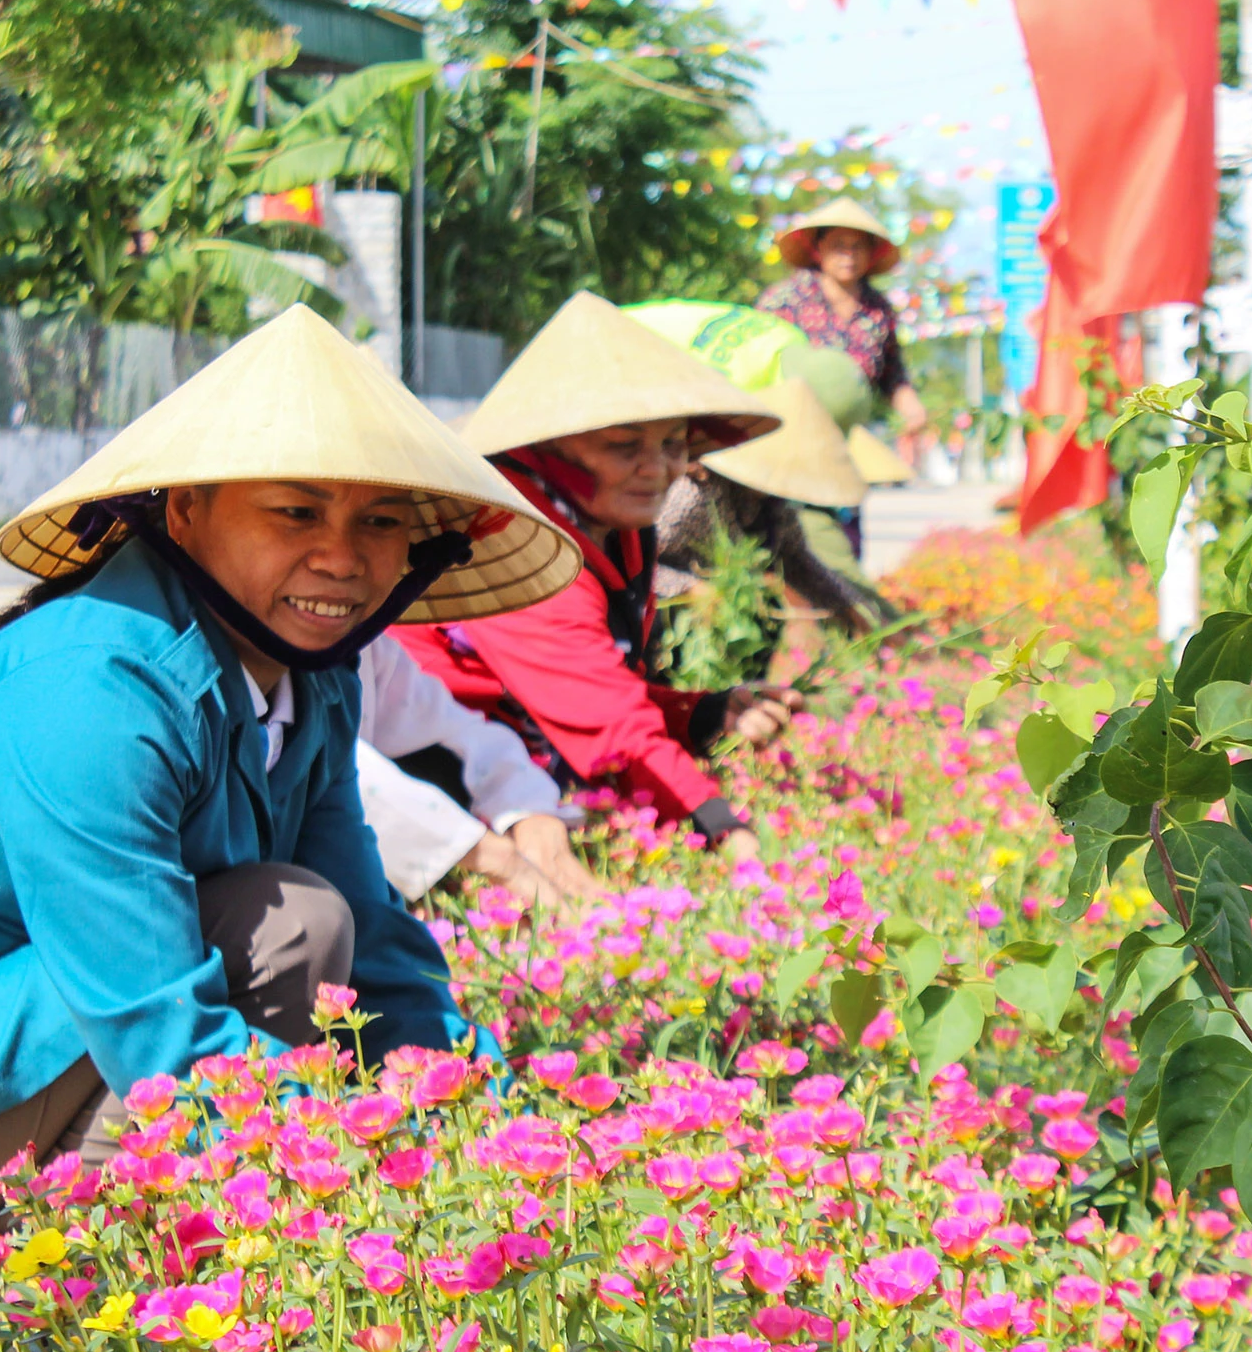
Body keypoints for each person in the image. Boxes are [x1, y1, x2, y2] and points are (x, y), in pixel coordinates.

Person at [0, 307, 579, 1262]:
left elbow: (377, 938)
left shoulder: (316, 681)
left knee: (308, 918)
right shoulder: (92, 691)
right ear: (184, 514)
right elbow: (157, 1030)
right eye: (296, 510)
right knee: (276, 939)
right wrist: (367, 1162)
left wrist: (492, 1112)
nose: (342, 557)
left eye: (382, 520)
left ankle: (192, 1238)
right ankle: (77, 1291)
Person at [397, 291, 797, 863]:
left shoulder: (615, 525)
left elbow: (602, 689)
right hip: (427, 768)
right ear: (547, 445)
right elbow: (606, 723)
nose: (658, 470)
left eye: (673, 445)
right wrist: (727, 834)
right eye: (623, 445)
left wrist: (704, 712)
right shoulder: (505, 529)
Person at [353, 634, 610, 909]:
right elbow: (337, 767)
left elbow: (452, 728)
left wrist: (530, 812)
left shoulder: (369, 642)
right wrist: (498, 860)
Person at [655, 375, 892, 659]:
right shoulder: (696, 493)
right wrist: (691, 588)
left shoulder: (776, 505)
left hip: (733, 633)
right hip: (671, 631)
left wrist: (854, 608)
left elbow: (800, 563)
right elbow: (635, 558)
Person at [755, 196, 930, 451]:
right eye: (839, 246)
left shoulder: (878, 311)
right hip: (785, 436)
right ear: (818, 248)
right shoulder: (783, 301)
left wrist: (911, 407)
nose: (849, 255)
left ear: (871, 253)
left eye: (858, 247)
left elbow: (892, 374)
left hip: (847, 441)